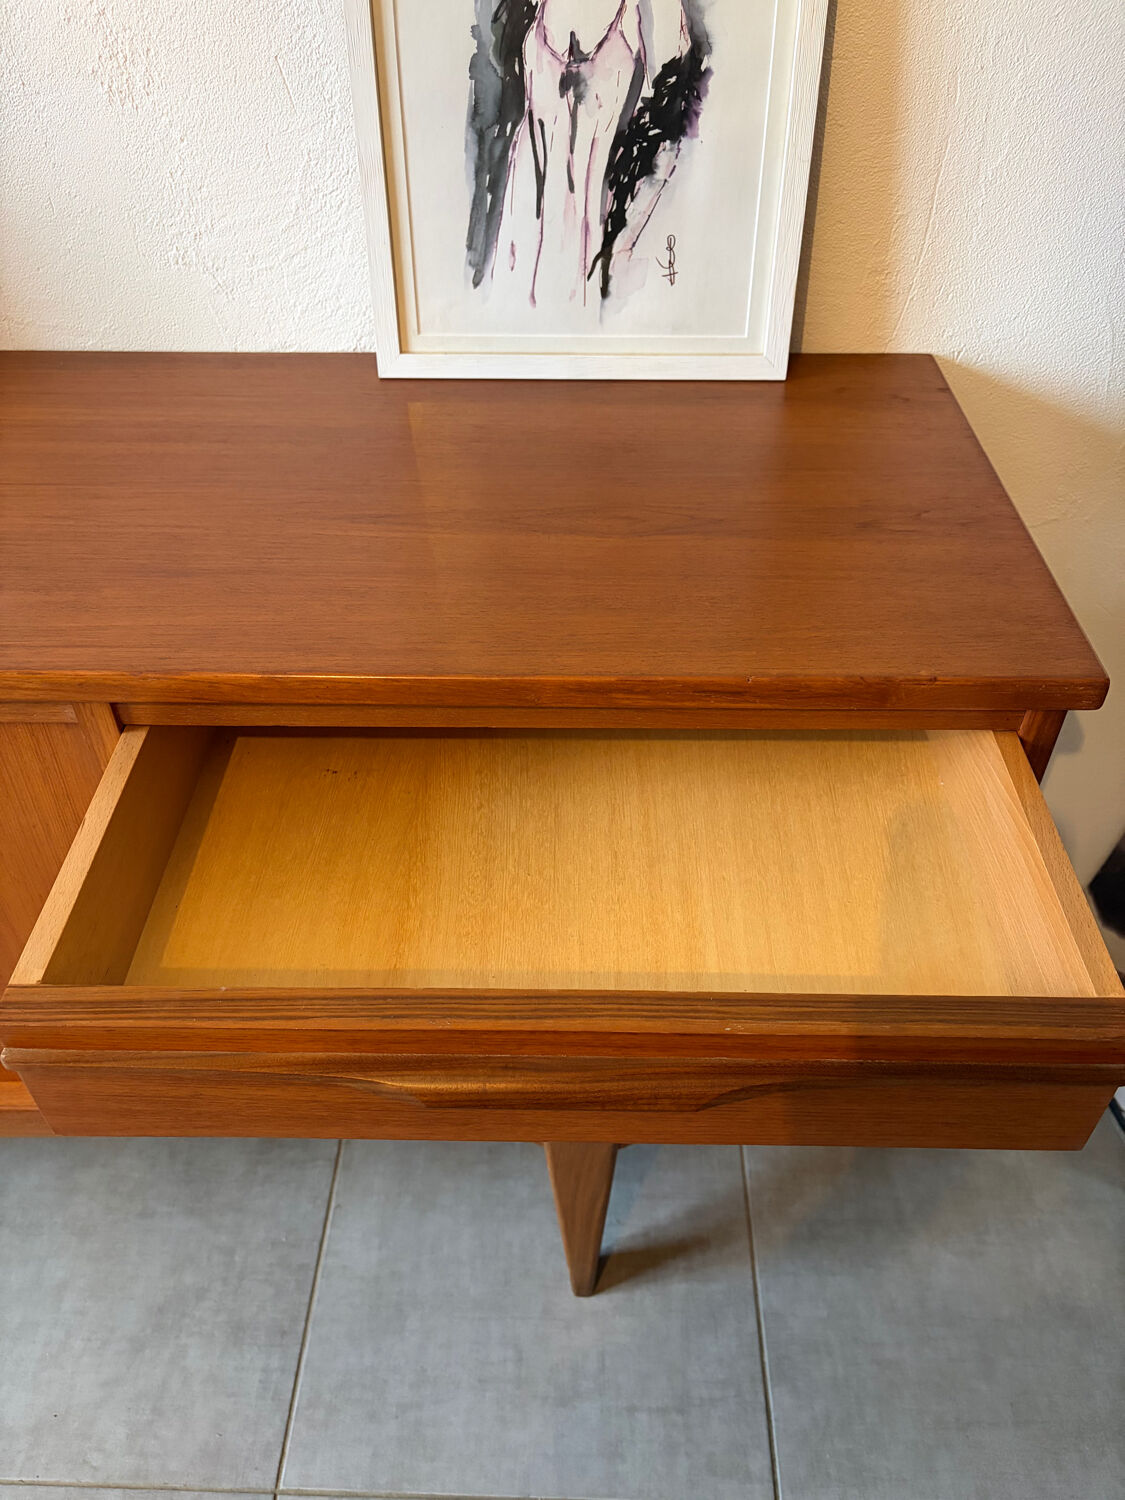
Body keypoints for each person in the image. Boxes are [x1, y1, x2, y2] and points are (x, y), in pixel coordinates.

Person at [466, 0, 711, 309]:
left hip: (592, 248)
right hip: (523, 232)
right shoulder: (529, 10)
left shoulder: (651, 12)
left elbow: (669, 129)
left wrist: (625, 241)